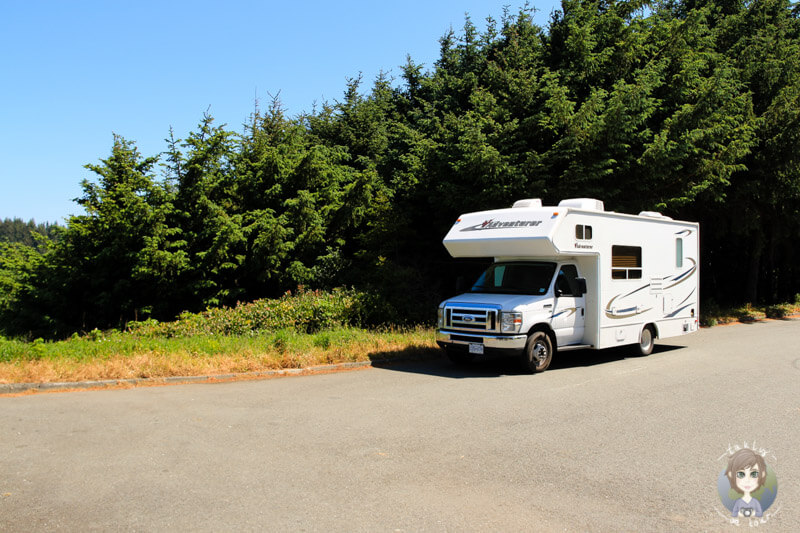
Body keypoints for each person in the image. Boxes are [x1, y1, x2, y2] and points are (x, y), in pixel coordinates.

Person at [725, 448, 767, 518]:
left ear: (762, 475)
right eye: (741, 474)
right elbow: (734, 514)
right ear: (731, 475)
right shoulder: (738, 502)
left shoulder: (755, 502)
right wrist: (740, 514)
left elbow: (760, 513)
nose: (747, 480)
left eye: (754, 474)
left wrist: (753, 514)